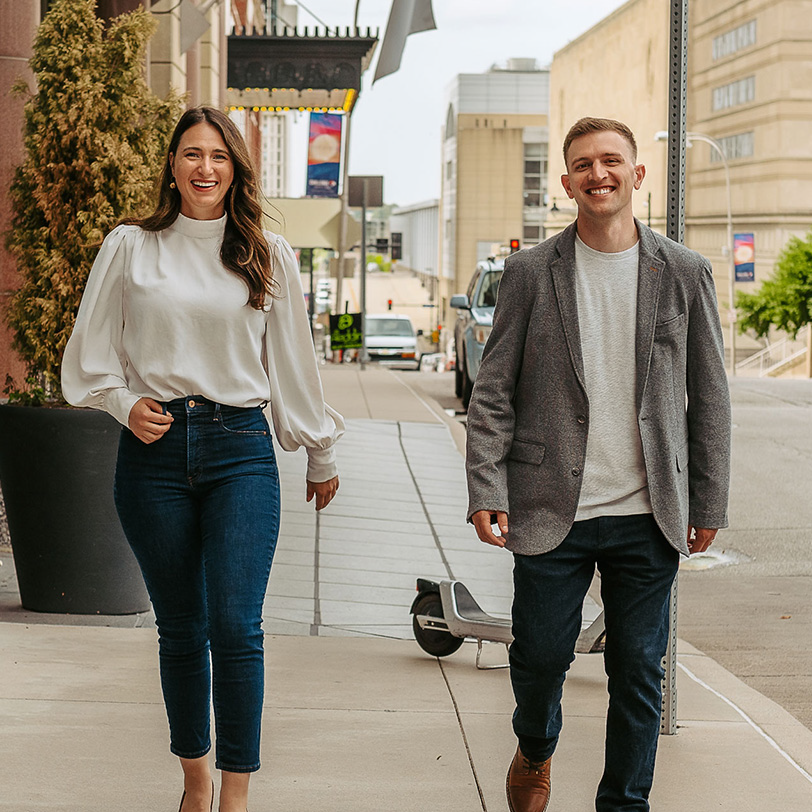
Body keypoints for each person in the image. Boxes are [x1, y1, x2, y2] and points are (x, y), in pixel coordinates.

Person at [61, 106, 343, 812]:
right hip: (152, 455)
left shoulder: (266, 253)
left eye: (218, 156)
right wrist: (122, 404)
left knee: (235, 625)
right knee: (181, 627)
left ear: (235, 169)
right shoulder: (130, 246)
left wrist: (318, 453)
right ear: (172, 165)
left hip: (240, 450)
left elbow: (293, 365)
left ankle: (235, 796)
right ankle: (193, 784)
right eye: (191, 154)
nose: (205, 168)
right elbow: (90, 355)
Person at [465, 117, 731, 812]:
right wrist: (486, 486)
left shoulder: (684, 272)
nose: (598, 174)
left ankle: (624, 804)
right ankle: (535, 745)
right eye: (583, 165)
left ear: (638, 174)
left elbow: (709, 398)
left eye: (611, 161)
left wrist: (709, 501)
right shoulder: (529, 273)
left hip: (649, 512)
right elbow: (492, 391)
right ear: (566, 183)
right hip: (551, 504)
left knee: (639, 669)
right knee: (541, 657)